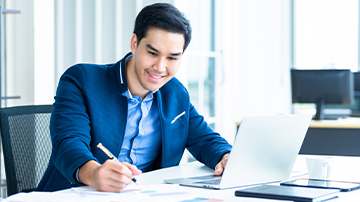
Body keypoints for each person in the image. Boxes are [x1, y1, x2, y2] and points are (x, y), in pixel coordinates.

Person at [37, 3, 232, 192]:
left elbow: (205, 140)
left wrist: (226, 156)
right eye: (152, 53)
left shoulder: (176, 93)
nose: (160, 67)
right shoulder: (83, 80)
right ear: (134, 44)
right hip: (76, 194)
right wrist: (94, 173)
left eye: (172, 58)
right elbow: (68, 142)